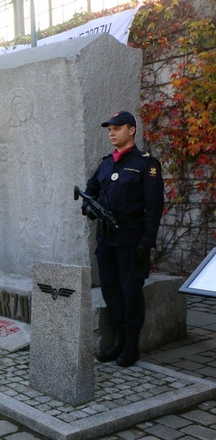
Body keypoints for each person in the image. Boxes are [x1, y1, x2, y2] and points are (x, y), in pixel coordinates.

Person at [82, 111, 164, 367]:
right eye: (109, 129)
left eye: (117, 128)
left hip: (131, 240)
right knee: (111, 292)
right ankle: (116, 340)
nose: (111, 133)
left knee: (131, 294)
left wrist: (147, 242)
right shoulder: (106, 164)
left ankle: (131, 345)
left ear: (132, 130)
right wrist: (89, 208)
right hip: (106, 240)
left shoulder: (146, 164)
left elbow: (154, 206)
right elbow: (89, 193)